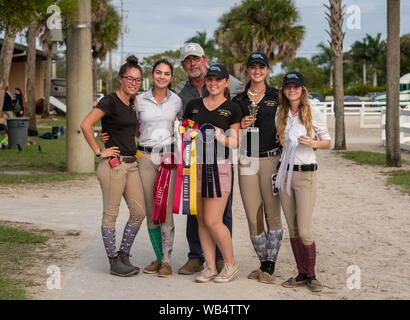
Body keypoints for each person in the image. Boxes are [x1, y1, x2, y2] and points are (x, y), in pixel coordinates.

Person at [102, 59, 183, 277]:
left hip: (168, 159)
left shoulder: (177, 101)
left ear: (171, 77)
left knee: (165, 210)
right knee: (150, 210)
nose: (162, 77)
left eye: (167, 74)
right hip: (144, 157)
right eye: (158, 72)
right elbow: (128, 124)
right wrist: (106, 137)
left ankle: (166, 261)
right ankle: (157, 258)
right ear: (152, 74)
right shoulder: (139, 99)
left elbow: (185, 128)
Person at [174, 43, 244, 275]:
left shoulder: (233, 93)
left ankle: (225, 260)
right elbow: (181, 126)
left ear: (204, 60)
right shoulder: (183, 95)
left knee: (220, 215)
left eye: (196, 59)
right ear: (184, 64)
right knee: (198, 215)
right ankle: (200, 259)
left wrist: (230, 130)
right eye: (188, 60)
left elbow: (241, 112)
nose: (192, 63)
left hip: (220, 163)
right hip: (193, 163)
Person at [80, 55, 146, 277]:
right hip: (113, 165)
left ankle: (123, 255)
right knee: (111, 214)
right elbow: (86, 124)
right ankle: (112, 261)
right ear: (120, 79)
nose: (133, 83)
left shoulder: (133, 103)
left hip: (131, 164)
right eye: (129, 78)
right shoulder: (110, 101)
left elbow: (131, 130)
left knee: (139, 211)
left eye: (137, 80)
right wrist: (99, 150)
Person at [275, 71, 331, 292]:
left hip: (306, 175)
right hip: (285, 173)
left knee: (304, 229)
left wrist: (313, 143)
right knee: (292, 228)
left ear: (302, 90)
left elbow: (328, 142)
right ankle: (301, 273)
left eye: (296, 87)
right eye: (288, 87)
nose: (292, 90)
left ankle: (312, 275)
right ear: (284, 90)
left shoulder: (313, 113)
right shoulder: (280, 113)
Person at [233, 52, 283, 284]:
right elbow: (229, 131)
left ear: (267, 69)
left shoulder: (277, 96)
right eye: (253, 66)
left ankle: (269, 266)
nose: (257, 70)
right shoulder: (239, 100)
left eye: (261, 66)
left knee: (272, 214)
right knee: (253, 216)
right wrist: (241, 126)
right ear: (248, 70)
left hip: (270, 159)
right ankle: (264, 263)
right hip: (246, 160)